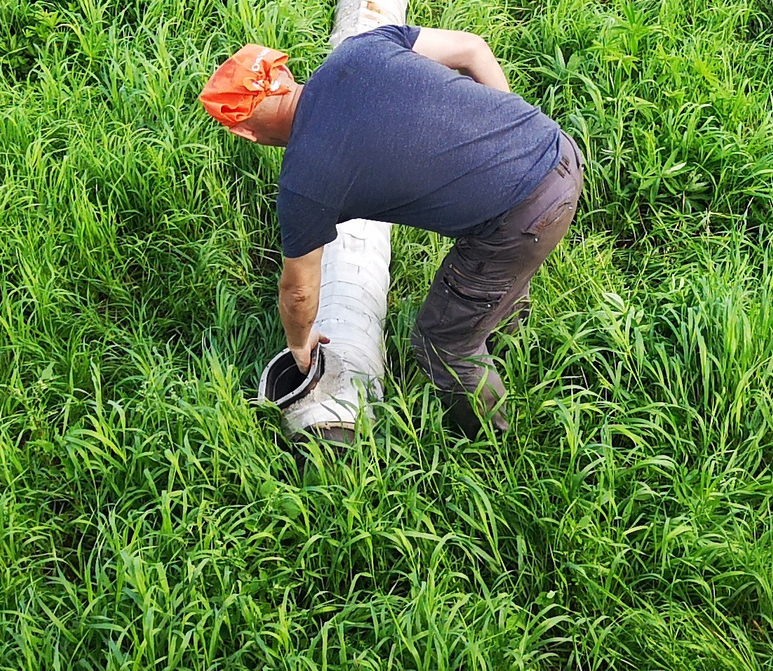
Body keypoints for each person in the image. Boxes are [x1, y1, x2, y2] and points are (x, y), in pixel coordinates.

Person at [201, 28, 584, 437]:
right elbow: (473, 49)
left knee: (442, 342)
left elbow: (297, 290)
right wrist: (509, 133)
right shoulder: (360, 50)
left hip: (523, 215)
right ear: (285, 75)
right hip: (554, 145)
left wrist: (299, 343)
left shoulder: (304, 182)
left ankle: (493, 443)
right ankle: (509, 340)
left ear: (242, 130)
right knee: (498, 270)